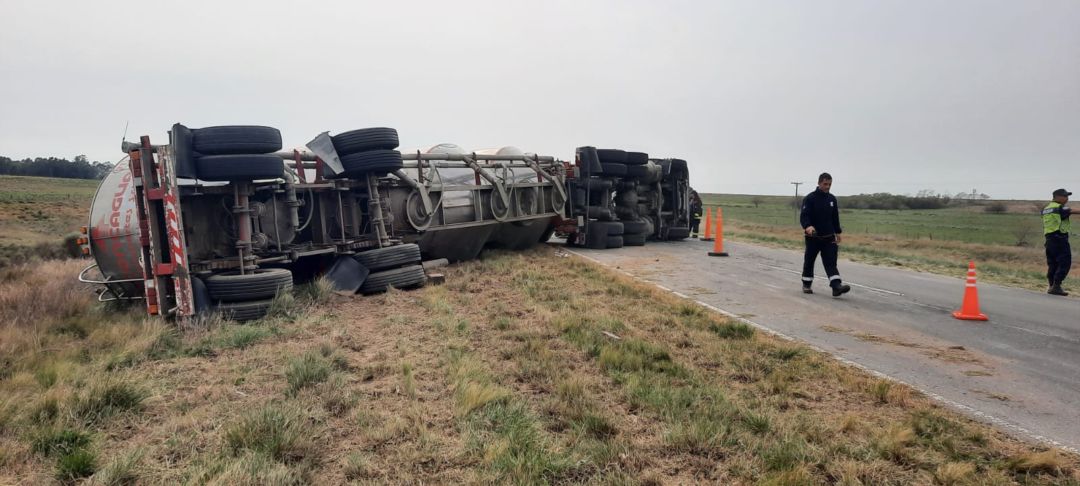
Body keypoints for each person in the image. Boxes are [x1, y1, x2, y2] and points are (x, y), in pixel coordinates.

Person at [800, 172, 850, 296]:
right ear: (819, 183)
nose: (828, 186)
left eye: (830, 184)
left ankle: (836, 287)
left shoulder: (832, 199)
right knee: (809, 261)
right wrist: (808, 226)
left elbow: (835, 217)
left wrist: (837, 232)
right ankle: (806, 284)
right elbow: (804, 216)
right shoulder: (810, 198)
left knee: (831, 262)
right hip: (813, 237)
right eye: (825, 184)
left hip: (829, 237)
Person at [1042, 188, 1073, 296]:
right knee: (1065, 262)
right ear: (1057, 197)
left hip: (1049, 240)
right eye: (1065, 196)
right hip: (1059, 239)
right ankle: (1056, 285)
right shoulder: (1059, 207)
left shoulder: (1046, 208)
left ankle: (1051, 286)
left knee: (1053, 263)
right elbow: (1073, 211)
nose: (1067, 198)